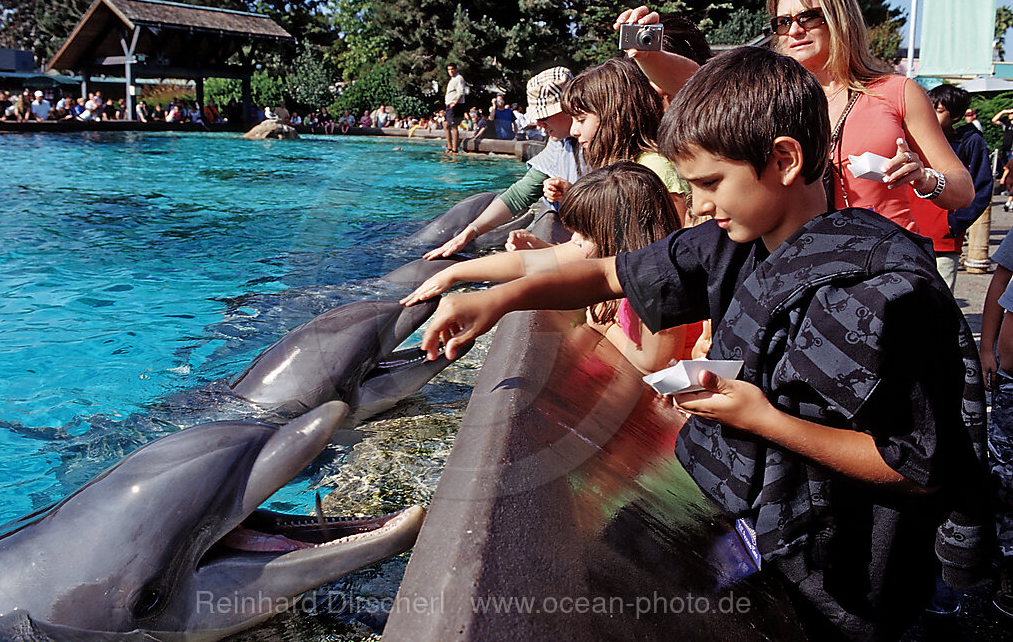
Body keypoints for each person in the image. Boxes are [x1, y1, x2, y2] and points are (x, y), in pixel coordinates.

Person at [416, 46, 990, 641]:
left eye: (712, 183)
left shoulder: (880, 293)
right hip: (759, 516)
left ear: (784, 160)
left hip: (838, 574)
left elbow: (918, 468)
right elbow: (613, 273)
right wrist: (498, 297)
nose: (699, 208)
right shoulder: (732, 240)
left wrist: (764, 419)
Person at [616, 0, 972, 232]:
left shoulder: (896, 91)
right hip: (804, 267)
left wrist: (923, 178)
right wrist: (649, 54)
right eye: (782, 22)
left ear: (839, 18)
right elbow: (695, 79)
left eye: (808, 17)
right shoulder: (768, 95)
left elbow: (963, 190)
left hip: (886, 266)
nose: (795, 29)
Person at [405, 162, 694, 375]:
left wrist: (601, 324)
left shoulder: (659, 280)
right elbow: (529, 263)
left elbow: (654, 362)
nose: (574, 242)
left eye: (583, 234)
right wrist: (453, 273)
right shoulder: (609, 251)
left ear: (616, 237)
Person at [423, 66, 579, 260]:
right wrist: (468, 234)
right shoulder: (559, 142)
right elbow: (519, 195)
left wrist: (573, 195)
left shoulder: (600, 141)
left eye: (544, 117)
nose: (538, 124)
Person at [554, 56, 689, 226]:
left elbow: (679, 236)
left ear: (614, 117)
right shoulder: (617, 166)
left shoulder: (655, 168)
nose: (573, 131)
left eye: (581, 120)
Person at [913, 84, 992, 293]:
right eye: (929, 108)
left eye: (938, 111)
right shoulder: (913, 136)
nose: (930, 114)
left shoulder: (970, 142)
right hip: (910, 231)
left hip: (943, 238)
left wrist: (954, 223)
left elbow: (982, 188)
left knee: (941, 298)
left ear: (956, 115)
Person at [978, 230, 1013, 619]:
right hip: (1009, 382)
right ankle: (1007, 562)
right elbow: (1000, 279)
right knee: (1005, 476)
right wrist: (986, 347)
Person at [444, 62, 468, 153]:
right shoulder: (452, 79)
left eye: (452, 69)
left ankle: (454, 148)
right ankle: (449, 146)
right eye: (449, 69)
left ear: (456, 69)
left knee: (454, 126)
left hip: (455, 105)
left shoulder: (459, 78)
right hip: (449, 104)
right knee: (446, 124)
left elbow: (460, 92)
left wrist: (455, 103)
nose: (450, 71)